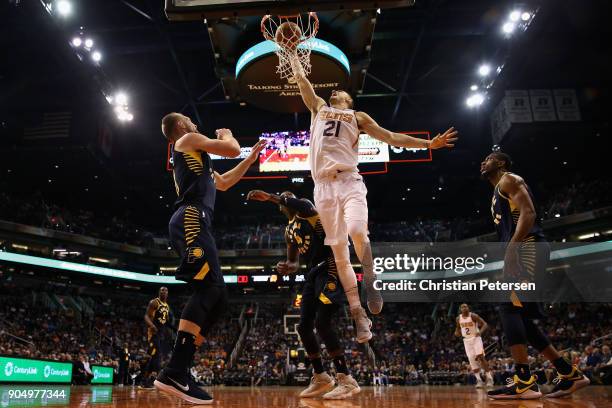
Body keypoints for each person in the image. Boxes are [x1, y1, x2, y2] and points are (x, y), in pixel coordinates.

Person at [290, 56, 458, 342]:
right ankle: (358, 314)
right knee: (339, 253)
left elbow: (392, 137)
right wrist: (292, 53)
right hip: (323, 188)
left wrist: (429, 143)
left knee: (357, 231)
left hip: (349, 181)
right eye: (332, 92)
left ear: (349, 100)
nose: (333, 93)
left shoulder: (358, 117)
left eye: (339, 93)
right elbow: (303, 82)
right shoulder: (318, 108)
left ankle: (370, 278)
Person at [153, 112, 266, 404]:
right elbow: (229, 148)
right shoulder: (187, 140)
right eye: (189, 120)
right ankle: (174, 371)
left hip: (196, 220)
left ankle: (180, 368)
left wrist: (250, 161)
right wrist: (226, 133)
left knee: (220, 299)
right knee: (209, 289)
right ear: (180, 126)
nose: (194, 123)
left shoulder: (197, 160)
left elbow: (225, 182)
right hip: (191, 218)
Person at [481, 151, 589, 399]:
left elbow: (528, 213)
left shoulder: (509, 179)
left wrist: (512, 248)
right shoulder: (497, 191)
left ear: (502, 163)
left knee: (508, 307)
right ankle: (568, 372)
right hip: (524, 249)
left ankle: (524, 381)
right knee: (522, 318)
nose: (483, 162)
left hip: (528, 247)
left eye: (489, 158)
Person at [247, 190, 361, 399]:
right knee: (303, 327)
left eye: (290, 197)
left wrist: (270, 196)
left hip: (329, 266)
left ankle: (346, 379)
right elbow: (293, 263)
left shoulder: (307, 210)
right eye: (284, 197)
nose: (288, 198)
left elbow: (298, 203)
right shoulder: (288, 230)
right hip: (312, 273)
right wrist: (285, 267)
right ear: (281, 208)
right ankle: (321, 376)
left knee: (323, 323)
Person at [454, 303, 494, 388]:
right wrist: (457, 333)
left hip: (476, 338)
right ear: (460, 309)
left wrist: (480, 332)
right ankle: (479, 380)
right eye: (462, 307)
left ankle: (489, 378)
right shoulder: (458, 318)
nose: (464, 308)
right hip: (466, 340)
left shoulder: (473, 316)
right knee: (471, 360)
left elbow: (485, 324)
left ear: (468, 308)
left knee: (480, 357)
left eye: (466, 306)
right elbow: (457, 328)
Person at [139, 287, 171, 389]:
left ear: (168, 293)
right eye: (162, 290)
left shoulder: (167, 306)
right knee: (156, 358)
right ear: (159, 292)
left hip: (160, 335)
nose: (164, 291)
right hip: (153, 335)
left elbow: (165, 320)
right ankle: (146, 381)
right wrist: (152, 325)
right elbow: (146, 316)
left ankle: (146, 381)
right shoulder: (154, 302)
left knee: (153, 358)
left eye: (166, 290)